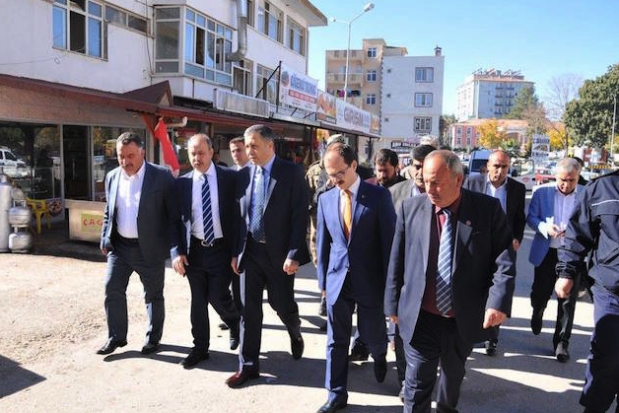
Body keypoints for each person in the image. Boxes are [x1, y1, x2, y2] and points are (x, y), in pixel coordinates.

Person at [385, 150, 515, 413]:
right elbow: (397, 259)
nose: (429, 189)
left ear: (458, 180)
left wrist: (498, 302)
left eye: (436, 183)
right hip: (421, 316)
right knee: (416, 386)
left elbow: (504, 259)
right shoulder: (411, 208)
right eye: (425, 181)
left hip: (461, 318)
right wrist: (392, 305)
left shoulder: (487, 210)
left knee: (451, 382)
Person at [226, 124, 310, 388]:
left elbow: (299, 215)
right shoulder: (243, 175)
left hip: (280, 255)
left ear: (270, 146)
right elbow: (239, 218)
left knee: (281, 304)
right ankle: (248, 366)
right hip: (250, 252)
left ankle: (294, 330)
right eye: (247, 146)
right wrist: (235, 252)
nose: (248, 151)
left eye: (254, 146)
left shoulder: (291, 172)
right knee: (248, 311)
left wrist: (294, 254)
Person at [315, 142, 395, 413]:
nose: (335, 179)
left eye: (339, 173)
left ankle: (380, 354)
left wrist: (390, 286)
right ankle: (336, 394)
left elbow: (389, 243)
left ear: (353, 165)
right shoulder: (326, 199)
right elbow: (323, 244)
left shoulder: (378, 196)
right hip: (338, 280)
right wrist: (323, 283)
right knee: (335, 340)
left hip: (370, 280)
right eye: (330, 174)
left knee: (373, 332)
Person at [97, 132, 177, 356]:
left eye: (130, 156)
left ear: (142, 152)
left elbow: (173, 215)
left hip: (149, 249)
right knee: (112, 288)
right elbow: (109, 211)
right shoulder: (113, 176)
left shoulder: (161, 176)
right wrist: (105, 237)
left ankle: (153, 339)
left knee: (153, 295)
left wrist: (175, 248)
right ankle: (116, 337)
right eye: (121, 156)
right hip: (120, 248)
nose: (125, 161)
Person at [170, 134, 241, 369]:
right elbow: (175, 221)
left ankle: (234, 321)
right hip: (195, 251)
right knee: (198, 301)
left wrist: (237, 251)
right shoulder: (182, 184)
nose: (197, 158)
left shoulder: (230, 178)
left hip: (222, 250)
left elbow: (240, 217)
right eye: (192, 154)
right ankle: (200, 348)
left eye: (201, 153)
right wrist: (176, 252)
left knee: (217, 295)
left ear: (212, 153)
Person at [556, 169, 619, 413]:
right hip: (611, 289)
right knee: (608, 354)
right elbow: (577, 233)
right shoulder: (603, 188)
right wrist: (566, 273)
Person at [464, 149, 526, 356]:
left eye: (504, 167)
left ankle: (492, 337)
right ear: (487, 167)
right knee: (475, 289)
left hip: (503, 245)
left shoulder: (517, 188)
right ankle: (473, 331)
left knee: (499, 289)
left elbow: (519, 218)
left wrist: (517, 237)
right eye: (496, 166)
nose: (500, 171)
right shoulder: (472, 183)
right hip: (476, 245)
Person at [387, 143, 436, 401]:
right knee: (400, 333)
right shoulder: (394, 193)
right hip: (402, 276)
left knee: (426, 336)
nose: (419, 172)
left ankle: (421, 379)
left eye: (424, 167)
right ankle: (405, 382)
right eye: (416, 166)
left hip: (433, 278)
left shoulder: (443, 194)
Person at [527, 157, 583, 362]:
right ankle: (537, 311)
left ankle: (561, 342)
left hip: (571, 254)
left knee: (567, 299)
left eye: (571, 180)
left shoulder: (585, 194)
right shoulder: (542, 192)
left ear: (578, 178)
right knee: (540, 293)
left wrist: (575, 232)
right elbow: (531, 218)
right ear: (556, 176)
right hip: (546, 252)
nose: (566, 184)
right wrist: (545, 227)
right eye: (562, 180)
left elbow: (589, 222)